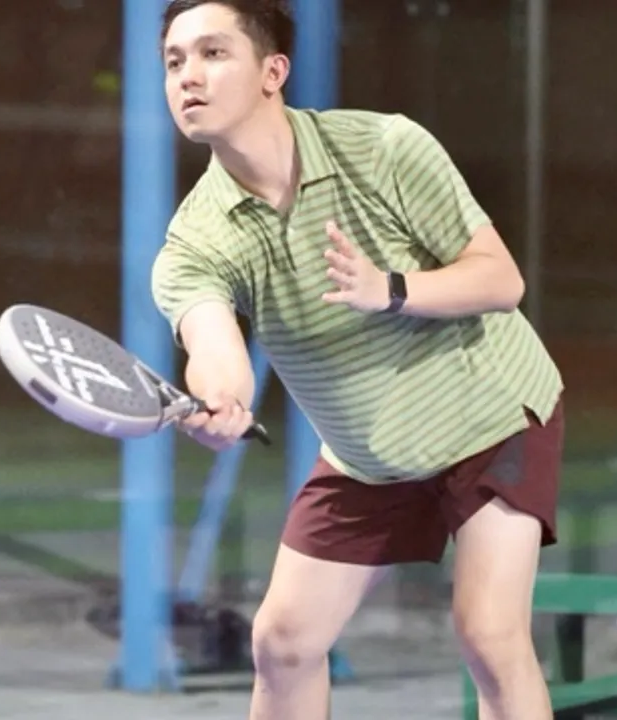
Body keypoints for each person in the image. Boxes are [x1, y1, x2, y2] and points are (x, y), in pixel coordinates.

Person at [151, 1, 565, 718]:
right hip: (369, 455)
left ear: (273, 72)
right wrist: (219, 401)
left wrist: (392, 290)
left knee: (489, 634)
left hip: (493, 417)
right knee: (282, 643)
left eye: (213, 53)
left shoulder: (383, 148)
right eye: (174, 61)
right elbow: (213, 344)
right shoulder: (195, 242)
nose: (188, 75)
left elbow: (502, 280)